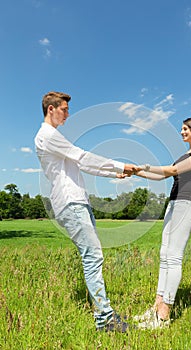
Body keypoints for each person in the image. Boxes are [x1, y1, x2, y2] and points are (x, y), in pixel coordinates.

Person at [34, 91, 137, 332]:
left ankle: (104, 314)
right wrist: (120, 165)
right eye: (64, 109)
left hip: (78, 202)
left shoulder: (54, 137)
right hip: (70, 203)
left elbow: (81, 163)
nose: (67, 114)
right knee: (93, 256)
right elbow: (82, 156)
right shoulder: (47, 135)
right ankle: (105, 319)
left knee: (92, 256)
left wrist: (115, 173)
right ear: (51, 109)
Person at [133, 117, 191, 330]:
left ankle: (164, 315)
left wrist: (144, 166)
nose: (181, 132)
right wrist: (135, 172)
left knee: (174, 256)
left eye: (185, 128)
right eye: (181, 129)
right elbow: (161, 177)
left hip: (187, 204)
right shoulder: (184, 155)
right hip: (174, 203)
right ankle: (156, 306)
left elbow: (170, 172)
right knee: (164, 254)